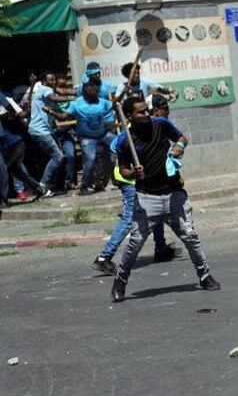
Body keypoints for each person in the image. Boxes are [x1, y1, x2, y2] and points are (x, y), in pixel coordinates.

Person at [111, 95, 218, 302]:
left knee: (190, 236)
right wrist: (133, 173)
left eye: (146, 110)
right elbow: (123, 170)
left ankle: (205, 276)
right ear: (130, 116)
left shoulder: (160, 124)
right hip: (147, 197)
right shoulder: (125, 141)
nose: (146, 114)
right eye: (141, 112)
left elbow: (182, 138)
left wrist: (180, 146)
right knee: (135, 242)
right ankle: (120, 280)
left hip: (173, 193)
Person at [90, 105, 175, 275]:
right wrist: (132, 165)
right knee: (129, 217)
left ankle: (160, 247)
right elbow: (115, 148)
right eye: (160, 111)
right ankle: (104, 257)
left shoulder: (151, 128)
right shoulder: (130, 134)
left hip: (143, 180)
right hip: (128, 180)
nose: (151, 115)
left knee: (155, 210)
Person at [26, 73, 73, 193]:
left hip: (44, 130)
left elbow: (61, 92)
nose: (54, 81)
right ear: (44, 82)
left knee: (57, 157)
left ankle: (52, 185)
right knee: (58, 156)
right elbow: (55, 98)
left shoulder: (47, 90)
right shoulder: (44, 89)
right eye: (51, 80)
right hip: (40, 131)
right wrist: (71, 98)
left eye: (54, 79)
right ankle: (42, 185)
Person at [67, 81, 116, 195]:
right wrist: (51, 112)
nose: (96, 92)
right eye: (94, 90)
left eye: (97, 90)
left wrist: (123, 92)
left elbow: (114, 103)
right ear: (86, 91)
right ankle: (84, 186)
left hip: (103, 135)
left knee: (121, 145)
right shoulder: (77, 104)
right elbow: (65, 115)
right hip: (87, 138)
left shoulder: (102, 102)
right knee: (91, 159)